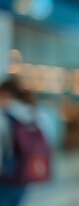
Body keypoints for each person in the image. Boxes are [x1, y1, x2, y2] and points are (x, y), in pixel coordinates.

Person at [0, 76, 49, 206]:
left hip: (6, 176)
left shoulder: (5, 115)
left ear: (5, 94)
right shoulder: (30, 113)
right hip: (24, 173)